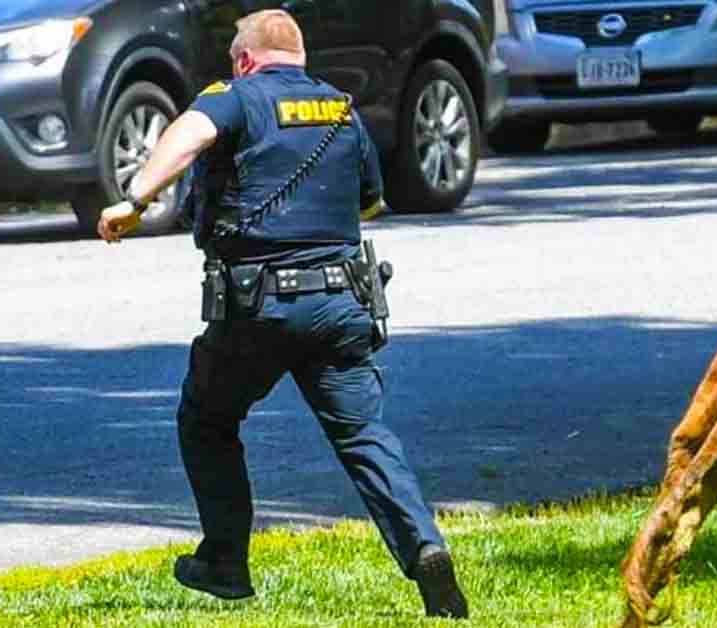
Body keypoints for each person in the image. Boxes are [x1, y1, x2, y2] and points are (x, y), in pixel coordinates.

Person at [96, 9, 468, 619]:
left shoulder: (234, 97)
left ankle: (225, 563)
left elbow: (187, 135)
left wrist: (136, 199)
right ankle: (425, 549)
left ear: (244, 60)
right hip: (341, 305)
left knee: (207, 420)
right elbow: (371, 201)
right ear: (299, 56)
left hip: (259, 308)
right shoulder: (339, 107)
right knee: (364, 435)